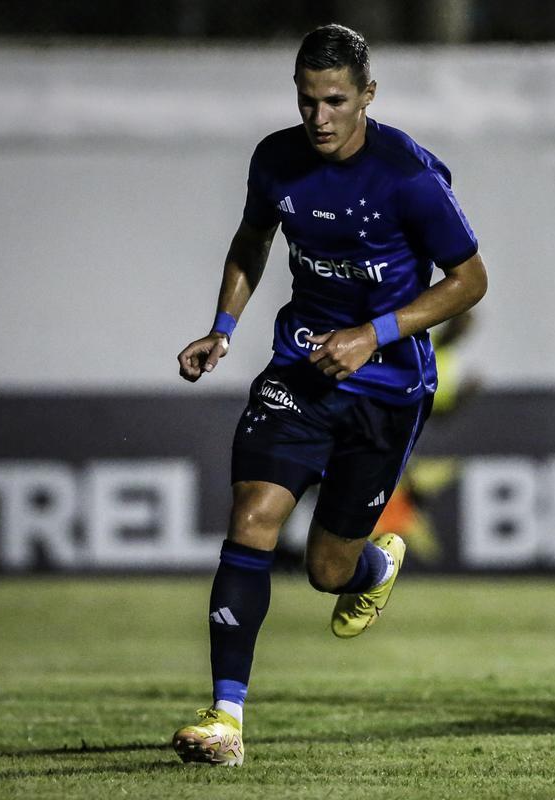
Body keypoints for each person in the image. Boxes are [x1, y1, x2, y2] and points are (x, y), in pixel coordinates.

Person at [171, 23, 487, 765]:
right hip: (301, 371)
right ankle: (225, 718)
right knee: (252, 519)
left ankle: (376, 566)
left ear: (366, 97)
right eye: (307, 99)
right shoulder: (276, 159)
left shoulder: (407, 176)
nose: (318, 116)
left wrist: (375, 332)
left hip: (387, 387)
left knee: (327, 571)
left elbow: (469, 284)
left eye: (335, 100)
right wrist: (221, 327)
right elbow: (253, 240)